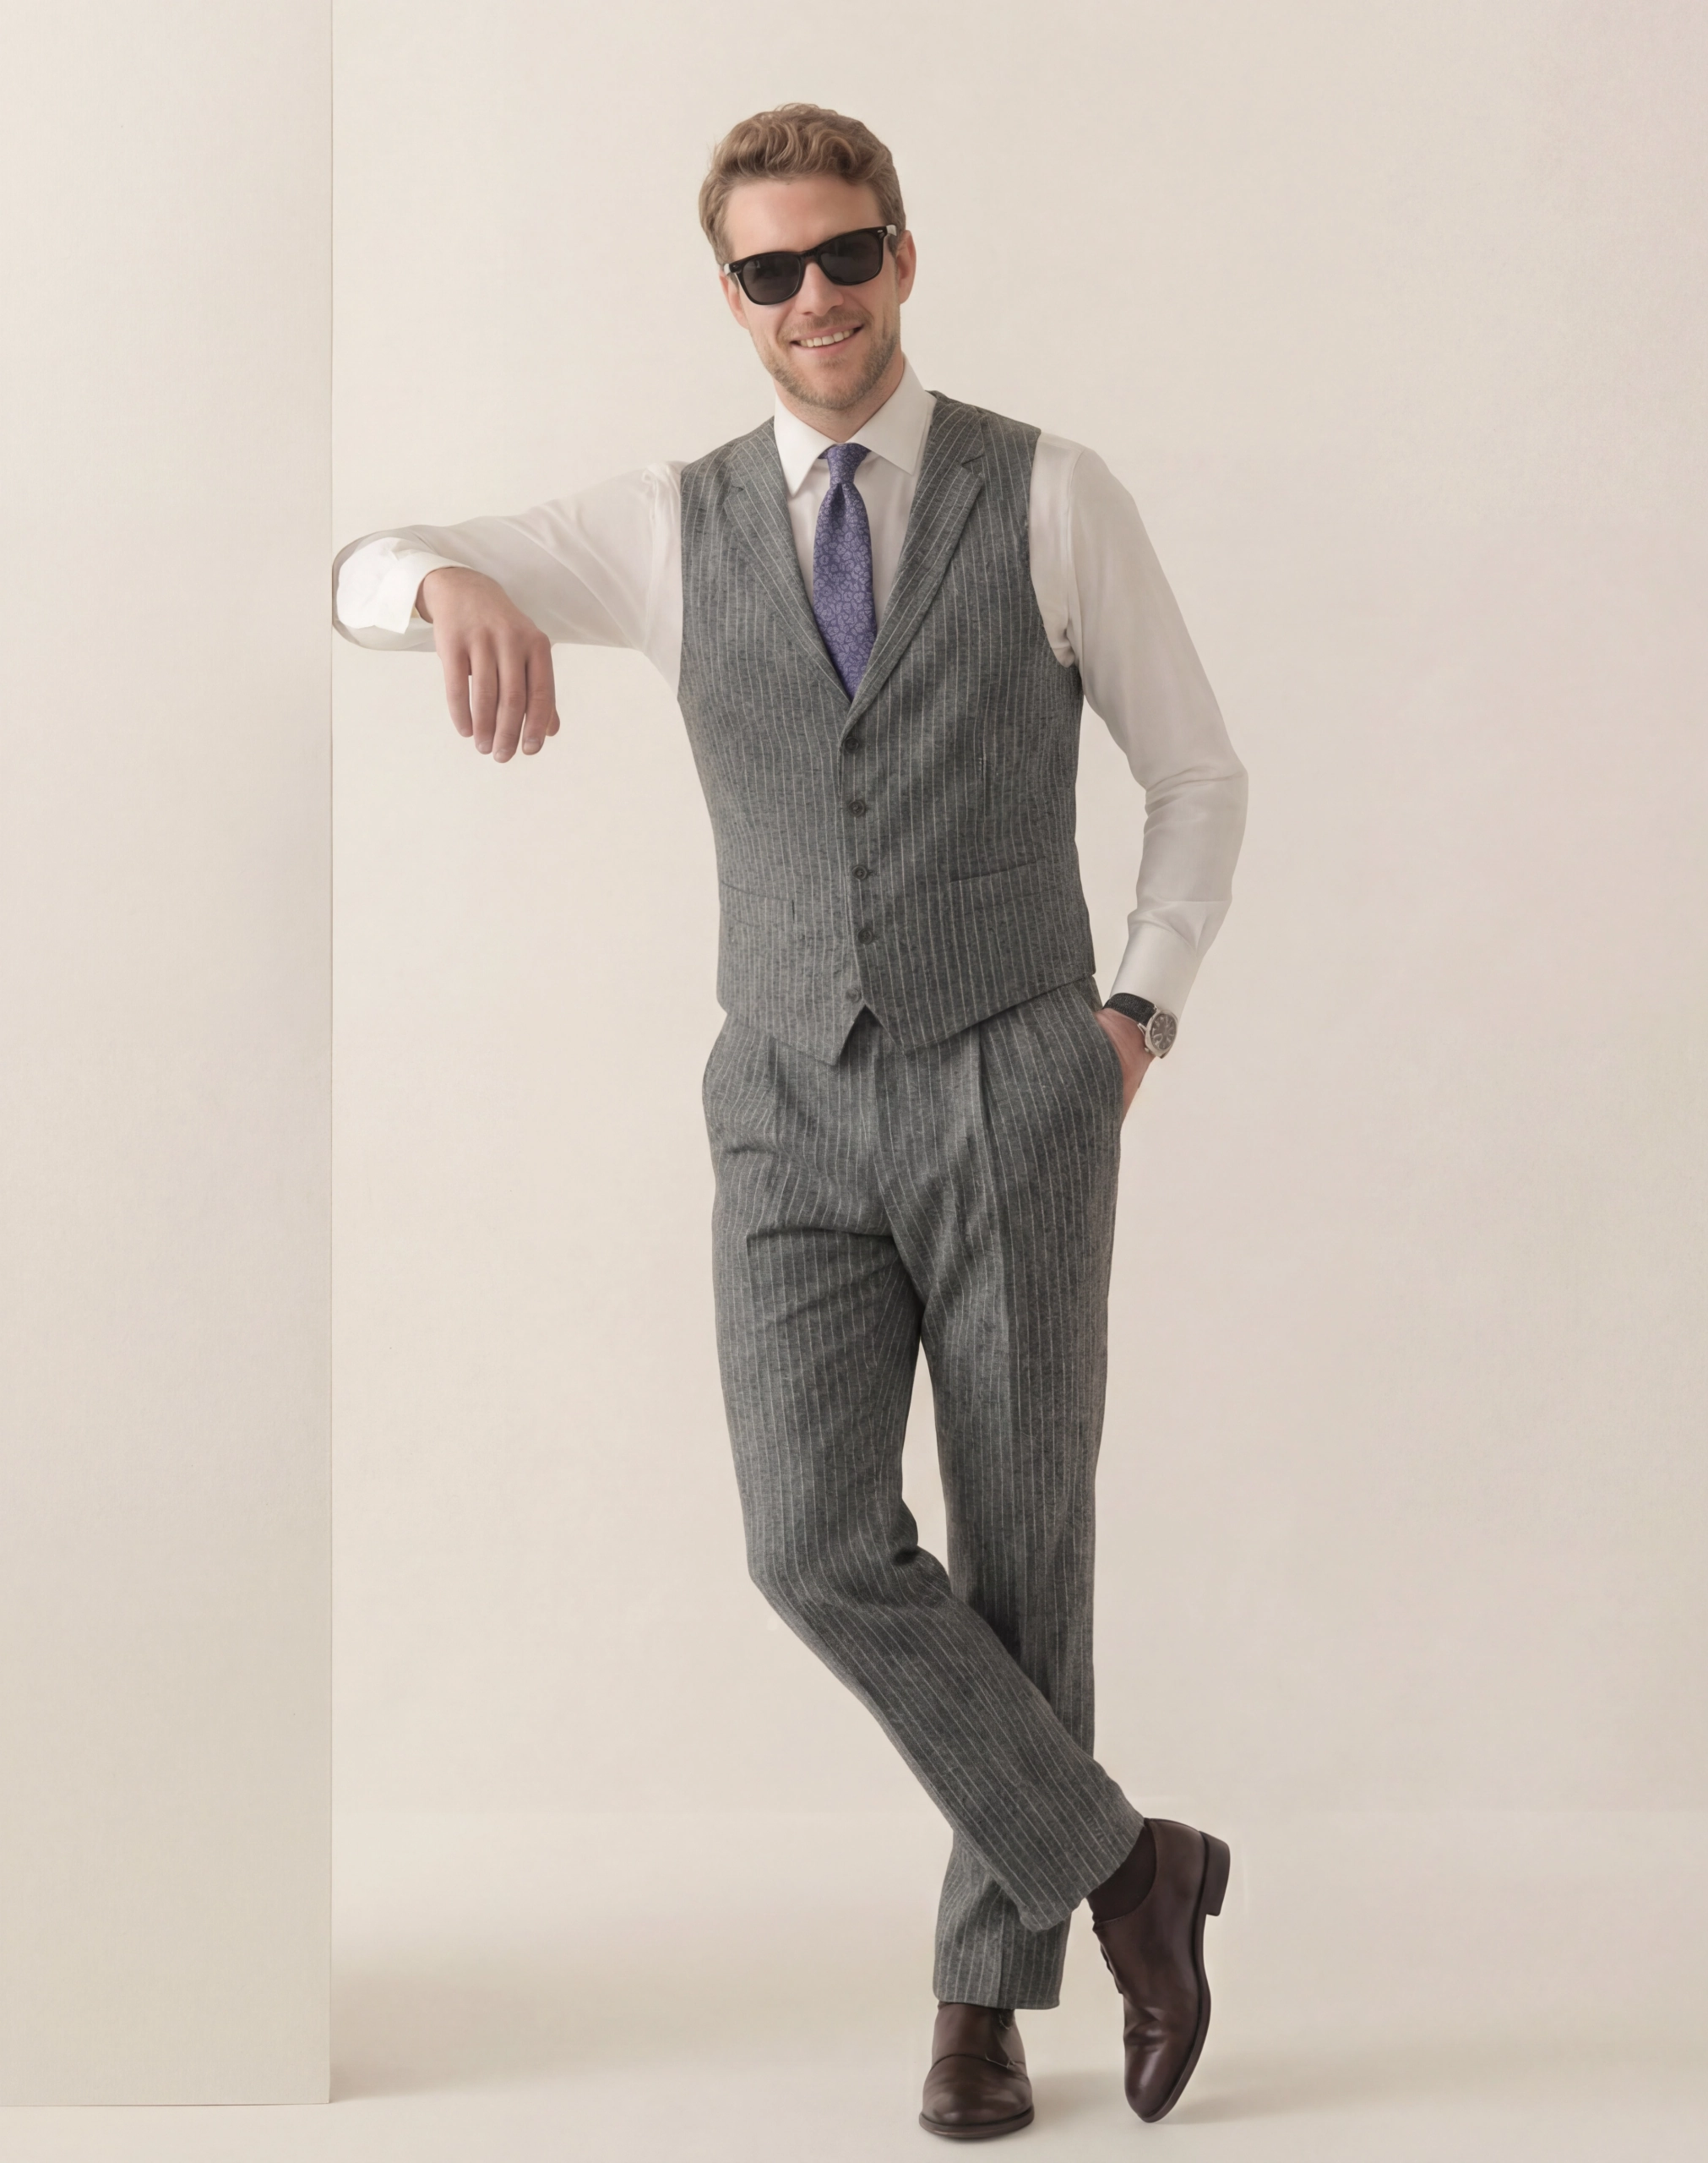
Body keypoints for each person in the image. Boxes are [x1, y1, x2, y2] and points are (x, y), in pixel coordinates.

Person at [333, 102, 1247, 2138]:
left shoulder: (1048, 491)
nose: (813, 298)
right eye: (770, 270)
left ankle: (979, 2004)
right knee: (812, 1540)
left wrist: (1136, 1013)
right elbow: (356, 570)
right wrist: (450, 583)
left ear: (901, 256)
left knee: (1022, 1547)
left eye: (844, 255)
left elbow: (1196, 772)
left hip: (1017, 1072)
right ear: (731, 295)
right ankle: (1128, 1867)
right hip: (782, 1098)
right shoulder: (665, 525)